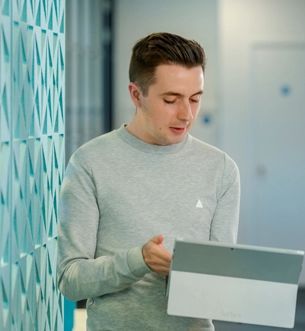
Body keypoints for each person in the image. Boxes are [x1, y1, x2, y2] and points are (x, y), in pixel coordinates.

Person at [57, 32, 240, 330]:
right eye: (171, 99)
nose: (186, 114)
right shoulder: (90, 162)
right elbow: (70, 280)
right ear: (135, 94)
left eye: (195, 99)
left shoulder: (221, 169)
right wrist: (136, 261)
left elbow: (219, 280)